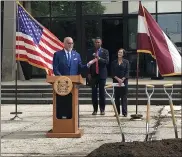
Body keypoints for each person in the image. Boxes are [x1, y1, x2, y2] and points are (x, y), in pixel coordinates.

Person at [87, 37, 109, 115]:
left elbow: (106, 62)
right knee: (94, 93)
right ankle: (95, 110)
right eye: (96, 42)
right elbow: (88, 63)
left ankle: (102, 110)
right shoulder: (90, 51)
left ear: (101, 43)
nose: (97, 43)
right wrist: (88, 73)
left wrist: (99, 58)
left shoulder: (105, 51)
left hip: (102, 75)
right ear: (94, 43)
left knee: (102, 93)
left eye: (98, 42)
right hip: (93, 75)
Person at [111, 48, 129, 117]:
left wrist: (122, 79)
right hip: (116, 81)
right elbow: (112, 73)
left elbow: (127, 72)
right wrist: (118, 79)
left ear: (123, 54)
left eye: (121, 52)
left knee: (124, 97)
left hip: (124, 81)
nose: (119, 53)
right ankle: (117, 112)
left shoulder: (126, 62)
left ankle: (124, 113)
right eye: (119, 52)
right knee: (117, 97)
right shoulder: (113, 62)